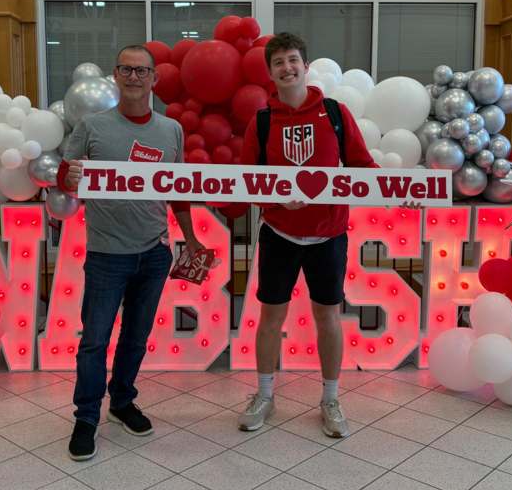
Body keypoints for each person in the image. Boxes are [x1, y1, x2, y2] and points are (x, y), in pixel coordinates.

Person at [58, 45, 204, 461]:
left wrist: (190, 237)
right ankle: (86, 417)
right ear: (116, 76)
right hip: (106, 254)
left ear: (154, 79)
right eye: (127, 69)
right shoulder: (92, 126)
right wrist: (71, 175)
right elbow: (67, 184)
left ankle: (122, 402)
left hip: (154, 252)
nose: (135, 77)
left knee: (135, 338)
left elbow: (179, 189)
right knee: (94, 341)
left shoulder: (171, 130)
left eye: (143, 71)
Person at [238, 32, 377, 438]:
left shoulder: (335, 112)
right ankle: (265, 394)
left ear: (305, 65)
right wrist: (279, 201)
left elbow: (363, 166)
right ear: (270, 72)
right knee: (270, 317)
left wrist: (403, 191)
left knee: (328, 317)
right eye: (279, 62)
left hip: (329, 233)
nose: (287, 68)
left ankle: (330, 399)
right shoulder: (262, 121)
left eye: (293, 59)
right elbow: (247, 181)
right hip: (279, 233)